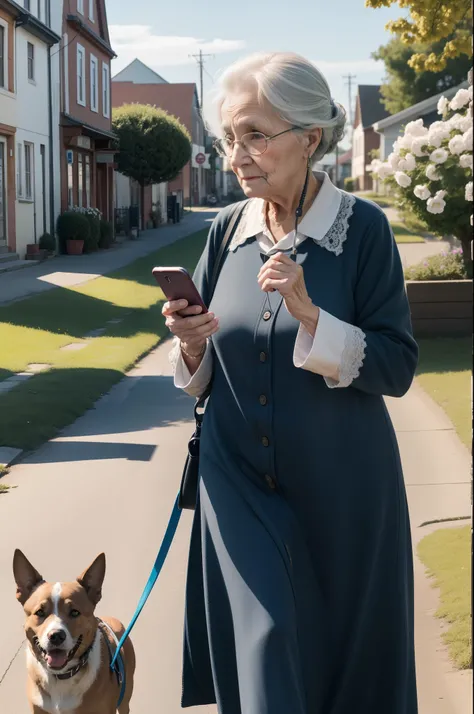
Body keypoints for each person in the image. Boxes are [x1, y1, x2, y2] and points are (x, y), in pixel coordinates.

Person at [163, 51, 418, 714]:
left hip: (344, 491)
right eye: (229, 138)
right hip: (237, 484)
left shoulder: (362, 232)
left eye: (256, 135)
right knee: (267, 657)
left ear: (309, 138)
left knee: (344, 671)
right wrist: (191, 347)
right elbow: (208, 371)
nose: (237, 155)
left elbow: (396, 366)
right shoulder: (226, 231)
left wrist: (313, 317)